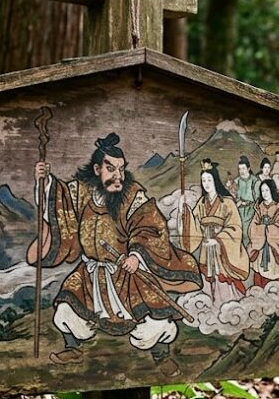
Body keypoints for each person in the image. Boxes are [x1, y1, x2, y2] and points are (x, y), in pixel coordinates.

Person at [27, 133, 203, 367]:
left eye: (121, 169)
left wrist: (136, 255)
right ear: (98, 169)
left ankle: (161, 355)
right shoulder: (80, 192)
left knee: (154, 319)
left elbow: (150, 226)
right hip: (90, 273)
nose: (118, 176)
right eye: (111, 169)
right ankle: (73, 347)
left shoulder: (132, 195)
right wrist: (46, 182)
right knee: (66, 308)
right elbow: (61, 206)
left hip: (124, 272)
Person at [181, 159, 250, 304]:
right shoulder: (201, 203)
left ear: (215, 180)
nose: (206, 183)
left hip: (221, 250)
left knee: (222, 277)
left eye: (209, 179)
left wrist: (218, 240)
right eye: (203, 180)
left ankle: (227, 304)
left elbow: (235, 227)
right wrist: (184, 211)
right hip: (206, 248)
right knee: (207, 276)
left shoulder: (227, 202)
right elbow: (193, 224)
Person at [248, 179, 279, 287]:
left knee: (277, 276)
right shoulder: (259, 207)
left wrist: (267, 229)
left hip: (274, 246)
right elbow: (253, 226)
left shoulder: (278, 207)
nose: (265, 194)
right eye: (262, 191)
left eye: (267, 190)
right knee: (259, 275)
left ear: (272, 191)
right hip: (261, 246)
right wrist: (262, 228)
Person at [233, 155, 260, 247]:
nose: (241, 171)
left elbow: (258, 199)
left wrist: (246, 203)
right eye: (239, 169)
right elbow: (233, 196)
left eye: (243, 169)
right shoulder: (236, 181)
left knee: (248, 234)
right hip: (239, 211)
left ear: (248, 168)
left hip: (251, 211)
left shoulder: (255, 181)